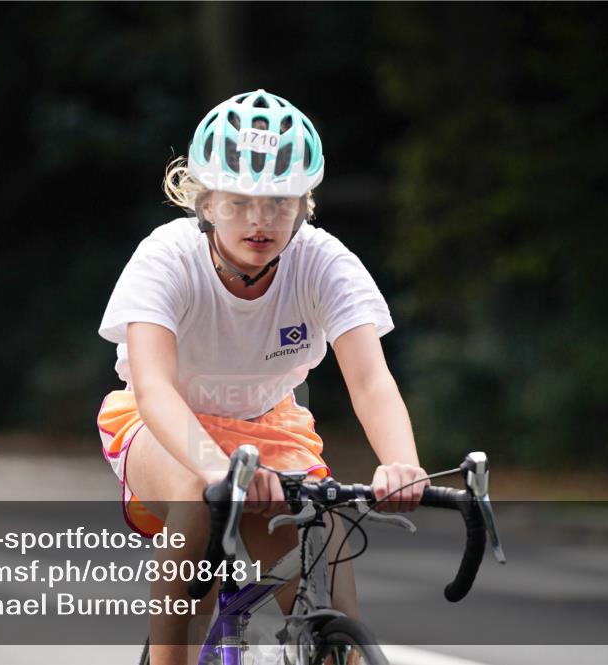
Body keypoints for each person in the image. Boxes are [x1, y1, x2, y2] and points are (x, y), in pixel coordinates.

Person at [96, 89, 428, 665]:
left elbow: (371, 381)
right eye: (239, 201)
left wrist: (401, 462)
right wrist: (215, 467)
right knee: (202, 502)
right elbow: (153, 388)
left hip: (269, 426)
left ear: (304, 202)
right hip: (168, 426)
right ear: (204, 201)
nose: (260, 219)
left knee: (326, 567)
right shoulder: (166, 258)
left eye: (279, 201)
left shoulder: (323, 262)